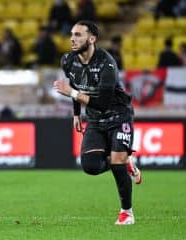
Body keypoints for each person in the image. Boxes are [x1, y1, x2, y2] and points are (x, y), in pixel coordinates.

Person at [53, 21, 142, 225]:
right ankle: (124, 160)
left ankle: (127, 212)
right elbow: (76, 84)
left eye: (78, 35)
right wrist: (76, 114)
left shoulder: (107, 63)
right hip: (94, 118)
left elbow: (101, 103)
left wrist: (72, 93)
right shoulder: (67, 60)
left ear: (92, 39)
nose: (72, 39)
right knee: (90, 166)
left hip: (119, 116)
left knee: (116, 161)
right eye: (71, 35)